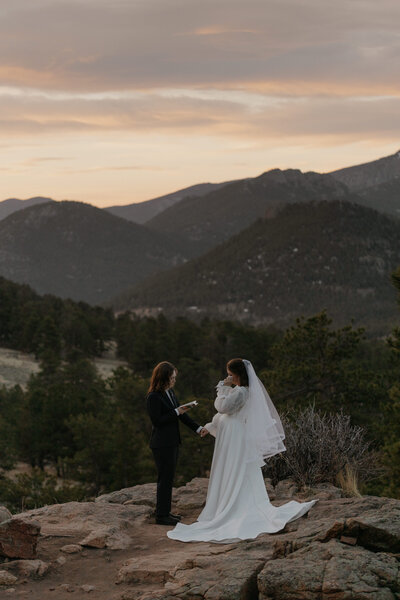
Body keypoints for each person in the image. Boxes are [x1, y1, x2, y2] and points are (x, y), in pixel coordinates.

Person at [167, 358, 317, 543]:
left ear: (238, 375)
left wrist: (222, 387)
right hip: (230, 434)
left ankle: (237, 505)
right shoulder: (238, 391)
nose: (228, 377)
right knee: (230, 468)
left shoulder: (243, 392)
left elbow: (222, 407)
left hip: (235, 436)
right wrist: (210, 425)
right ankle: (227, 501)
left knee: (236, 468)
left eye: (230, 374)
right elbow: (223, 413)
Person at [147, 361, 207, 526]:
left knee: (169, 478)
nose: (174, 380)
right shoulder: (153, 396)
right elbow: (157, 421)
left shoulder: (170, 392)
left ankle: (166, 512)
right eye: (172, 377)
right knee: (164, 479)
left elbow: (181, 416)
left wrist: (198, 428)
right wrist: (176, 411)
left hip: (172, 442)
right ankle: (161, 516)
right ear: (164, 377)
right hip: (161, 444)